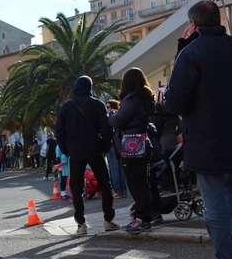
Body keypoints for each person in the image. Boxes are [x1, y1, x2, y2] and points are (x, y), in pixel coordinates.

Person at [164, 0, 232, 259]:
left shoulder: (192, 53)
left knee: (214, 197)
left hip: (206, 138)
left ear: (193, 25)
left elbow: (175, 101)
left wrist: (181, 50)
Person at [55, 76, 119, 236]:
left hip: (75, 152)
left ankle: (81, 224)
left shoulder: (66, 107)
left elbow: (59, 132)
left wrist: (66, 150)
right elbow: (107, 129)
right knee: (104, 185)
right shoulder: (97, 104)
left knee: (76, 188)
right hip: (95, 150)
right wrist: (103, 148)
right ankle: (108, 220)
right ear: (89, 87)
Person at [109, 68, 156, 234]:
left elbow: (118, 121)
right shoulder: (146, 99)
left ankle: (142, 218)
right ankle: (141, 216)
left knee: (136, 183)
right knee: (141, 181)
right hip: (143, 141)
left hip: (132, 143)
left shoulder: (131, 99)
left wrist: (111, 115)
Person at [105, 100, 128, 199]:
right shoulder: (121, 115)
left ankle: (118, 190)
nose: (107, 109)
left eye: (108, 106)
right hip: (122, 145)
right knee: (121, 168)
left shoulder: (110, 116)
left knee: (114, 169)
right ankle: (124, 190)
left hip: (113, 145)